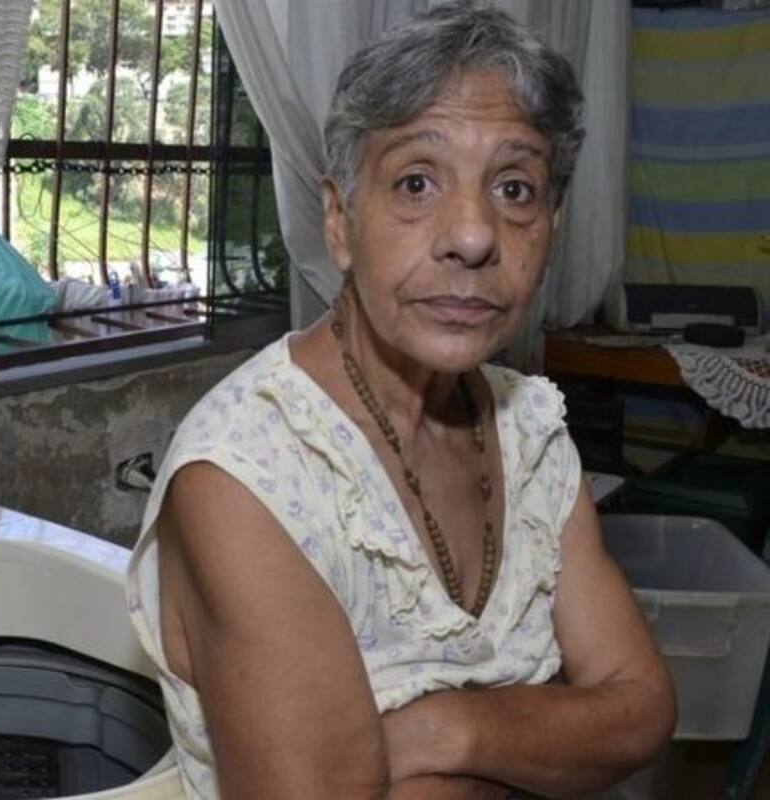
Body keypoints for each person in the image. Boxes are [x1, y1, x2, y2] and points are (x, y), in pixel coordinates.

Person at [126, 3, 676, 799]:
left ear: (552, 225)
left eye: (514, 188)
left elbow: (641, 710)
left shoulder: (529, 431)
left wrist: (446, 729)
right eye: (417, 182)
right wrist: (546, 736)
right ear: (339, 221)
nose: (473, 235)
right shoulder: (249, 477)